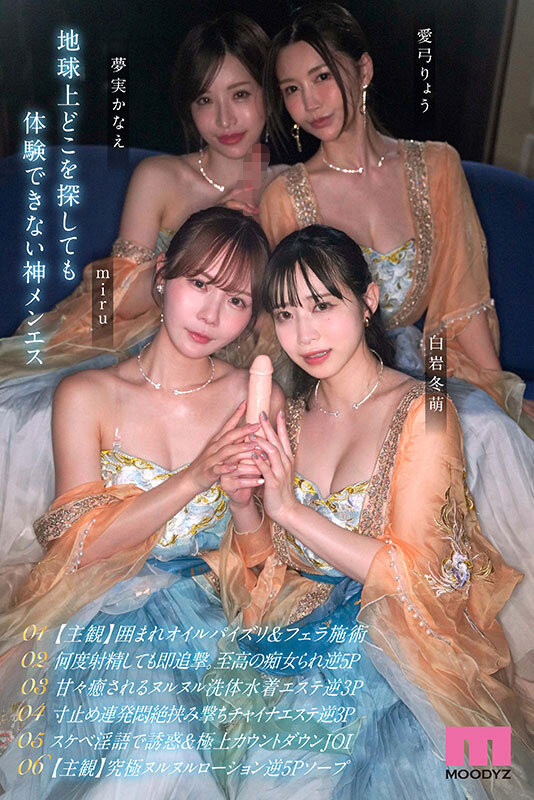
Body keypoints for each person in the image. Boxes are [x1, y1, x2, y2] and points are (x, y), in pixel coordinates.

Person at [206, 225, 534, 799]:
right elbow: (271, 566)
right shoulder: (292, 417)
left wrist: (289, 509)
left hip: (411, 652)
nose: (305, 333)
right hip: (294, 643)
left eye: (323, 306)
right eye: (285, 315)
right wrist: (244, 508)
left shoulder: (425, 414)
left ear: (368, 301)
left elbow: (419, 577)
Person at [0, 207, 284, 799]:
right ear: (162, 276)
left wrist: (244, 507)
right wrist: (194, 478)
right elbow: (77, 547)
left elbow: (266, 556)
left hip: (217, 614)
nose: (210, 314)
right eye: (199, 284)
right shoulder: (88, 395)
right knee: (159, 745)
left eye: (235, 300)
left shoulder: (254, 397)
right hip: (101, 609)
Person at [258, 3, 534, 437]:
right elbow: (284, 329)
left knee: (469, 430)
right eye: (292, 89)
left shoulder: (438, 167)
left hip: (424, 368)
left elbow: (460, 312)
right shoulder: (283, 197)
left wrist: (496, 400)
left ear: (363, 70)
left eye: (322, 77)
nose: (309, 103)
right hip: (332, 388)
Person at [0, 11, 285, 384]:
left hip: (250, 365)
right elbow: (102, 305)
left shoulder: (286, 187)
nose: (225, 119)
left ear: (270, 93)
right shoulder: (160, 177)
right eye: (205, 99)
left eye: (240, 94)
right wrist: (197, 247)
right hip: (137, 349)